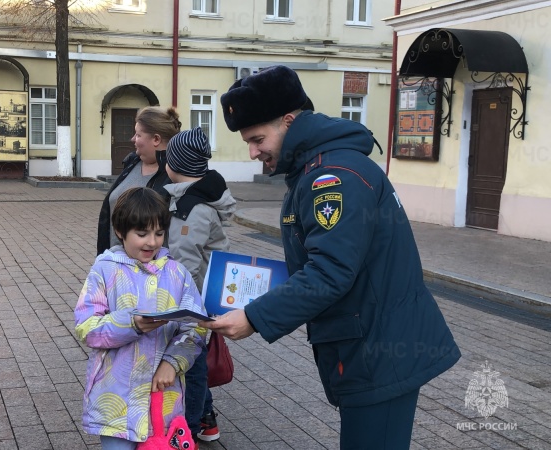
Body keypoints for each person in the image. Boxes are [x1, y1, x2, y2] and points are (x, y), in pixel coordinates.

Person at [201, 65, 461, 449]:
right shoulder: (313, 168)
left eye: (257, 139)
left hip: (379, 352)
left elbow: (330, 271)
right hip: (366, 346)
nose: (253, 152)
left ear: (289, 121)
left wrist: (255, 317)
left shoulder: (332, 176)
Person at [75, 187, 207, 450]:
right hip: (115, 399)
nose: (152, 242)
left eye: (159, 233)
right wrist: (131, 324)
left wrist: (173, 362)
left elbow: (195, 328)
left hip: (162, 399)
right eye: (142, 233)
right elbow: (87, 327)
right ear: (120, 231)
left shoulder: (177, 273)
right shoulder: (104, 270)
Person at [162, 127, 236, 443]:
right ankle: (205, 421)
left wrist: (174, 310)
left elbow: (185, 268)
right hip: (200, 297)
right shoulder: (193, 200)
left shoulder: (189, 210)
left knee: (190, 367)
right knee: (194, 364)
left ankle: (187, 430)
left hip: (191, 303)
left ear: (175, 164)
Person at [96, 106, 181, 255]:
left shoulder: (174, 177)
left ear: (156, 139)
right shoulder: (132, 163)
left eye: (138, 134)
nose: (133, 139)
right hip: (116, 263)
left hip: (149, 271)